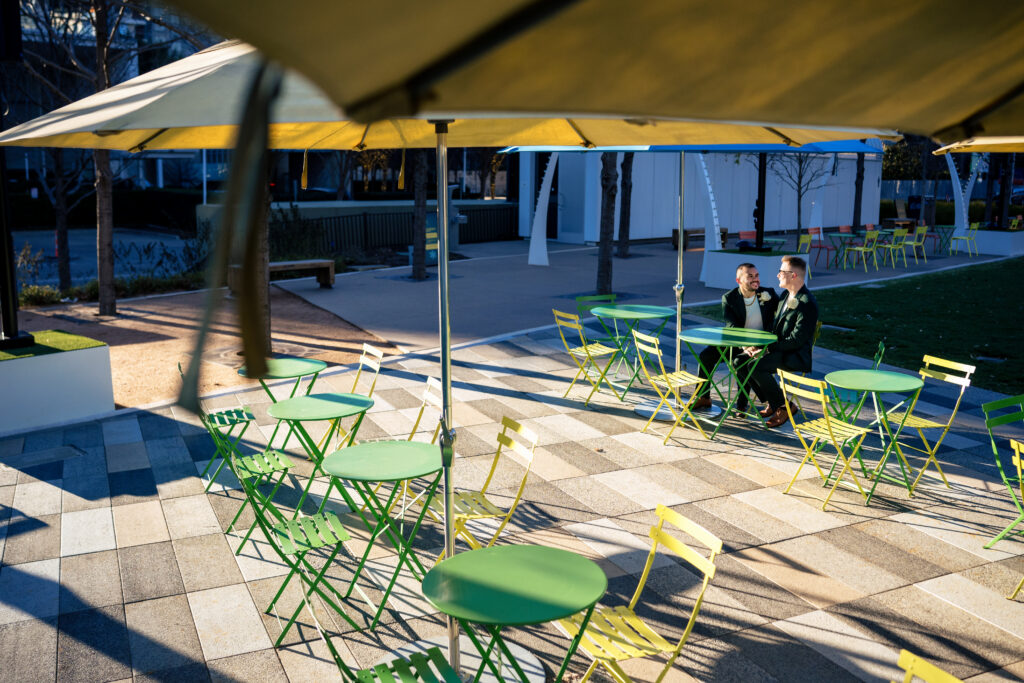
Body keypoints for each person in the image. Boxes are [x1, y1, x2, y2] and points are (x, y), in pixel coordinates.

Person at [692, 263, 779, 413]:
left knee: (740, 362)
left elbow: (777, 322)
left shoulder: (769, 294)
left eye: (757, 275)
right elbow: (731, 326)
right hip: (737, 343)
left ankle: (742, 403)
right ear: (738, 281)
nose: (755, 279)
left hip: (763, 345)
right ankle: (703, 397)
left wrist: (761, 346)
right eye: (750, 276)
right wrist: (745, 346)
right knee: (706, 356)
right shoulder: (729, 298)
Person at [746, 255, 819, 429]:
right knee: (740, 361)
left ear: (793, 275)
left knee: (755, 367)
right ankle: (774, 400)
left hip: (795, 355)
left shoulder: (807, 303)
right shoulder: (786, 295)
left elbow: (796, 340)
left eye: (781, 272)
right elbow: (774, 326)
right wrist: (758, 344)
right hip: (780, 350)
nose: (778, 275)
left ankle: (784, 407)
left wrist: (767, 349)